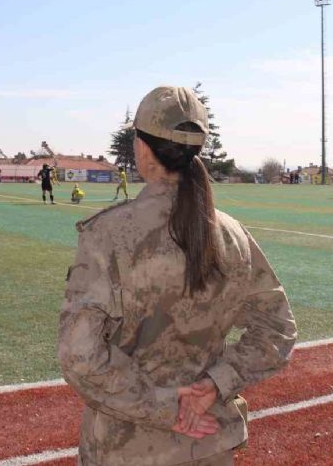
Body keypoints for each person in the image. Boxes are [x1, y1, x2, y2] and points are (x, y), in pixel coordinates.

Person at [59, 86, 297, 466]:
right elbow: (278, 329)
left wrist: (164, 407)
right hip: (209, 443)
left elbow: (80, 355)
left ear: (141, 147)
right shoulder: (232, 234)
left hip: (128, 450)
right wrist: (215, 385)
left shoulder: (109, 234)